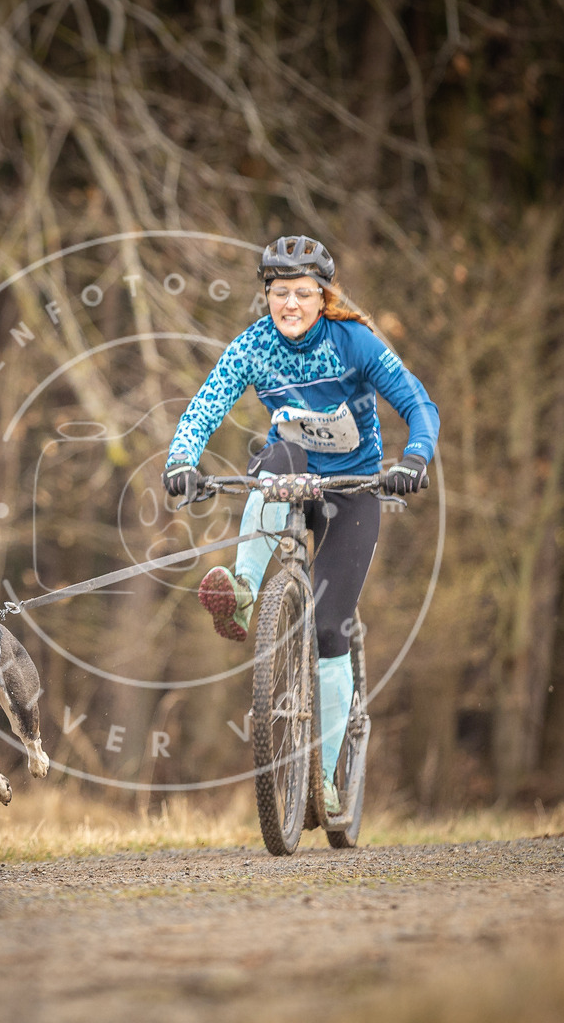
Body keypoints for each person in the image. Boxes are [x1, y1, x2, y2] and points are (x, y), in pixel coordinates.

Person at [161, 235, 439, 813]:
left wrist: (413, 459)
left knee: (329, 628)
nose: (290, 304)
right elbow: (205, 406)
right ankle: (242, 594)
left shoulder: (354, 341)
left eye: (303, 293)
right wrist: (181, 462)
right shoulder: (254, 346)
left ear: (323, 297)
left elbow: (419, 404)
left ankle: (331, 777)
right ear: (267, 296)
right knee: (275, 458)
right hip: (290, 479)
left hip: (353, 490)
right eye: (280, 292)